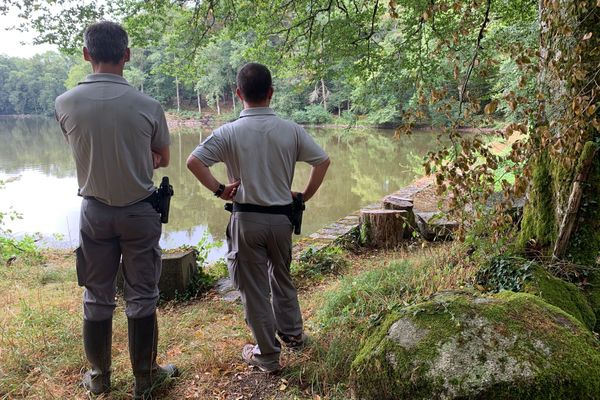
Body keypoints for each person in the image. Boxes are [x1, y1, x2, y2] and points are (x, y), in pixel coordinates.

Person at [54, 21, 178, 398]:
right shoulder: (148, 105)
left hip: (94, 211)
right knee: (142, 294)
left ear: (86, 54)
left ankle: (99, 377)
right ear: (126, 55)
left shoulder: (65, 103)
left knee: (96, 294)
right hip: (140, 211)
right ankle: (145, 378)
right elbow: (163, 158)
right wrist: (141, 157)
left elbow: (84, 150)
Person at [186, 62, 330, 373]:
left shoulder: (228, 132)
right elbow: (322, 161)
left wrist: (220, 190)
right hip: (281, 220)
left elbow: (194, 161)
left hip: (247, 220)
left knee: (252, 288)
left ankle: (267, 354)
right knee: (281, 276)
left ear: (238, 94)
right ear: (271, 93)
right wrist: (304, 195)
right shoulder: (290, 130)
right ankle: (292, 333)